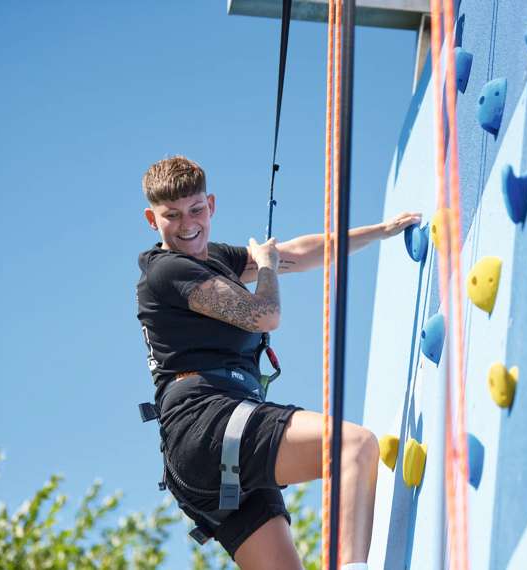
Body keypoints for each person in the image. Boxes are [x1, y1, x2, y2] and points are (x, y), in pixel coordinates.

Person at [136, 155, 420, 570]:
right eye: (171, 215)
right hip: (207, 425)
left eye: (196, 210)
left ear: (211, 205)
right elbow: (263, 314)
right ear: (151, 218)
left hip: (211, 454)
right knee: (354, 448)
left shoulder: (215, 259)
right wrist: (266, 267)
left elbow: (301, 253)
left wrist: (382, 231)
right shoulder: (168, 271)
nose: (187, 224)